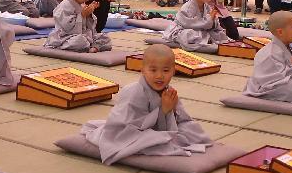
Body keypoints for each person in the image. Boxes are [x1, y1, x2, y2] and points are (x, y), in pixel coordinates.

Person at [80, 43, 212, 165]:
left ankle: (163, 138)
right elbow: (128, 125)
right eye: (153, 70)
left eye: (166, 71)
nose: (159, 76)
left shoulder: (169, 91)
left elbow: (182, 120)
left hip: (156, 131)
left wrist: (169, 112)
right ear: (142, 70)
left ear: (174, 71)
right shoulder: (134, 92)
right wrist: (163, 112)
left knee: (192, 131)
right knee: (155, 140)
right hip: (127, 133)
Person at [160, 0, 231, 52]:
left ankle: (205, 38)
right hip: (182, 29)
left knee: (219, 33)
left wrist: (213, 20)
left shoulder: (207, 7)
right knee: (189, 34)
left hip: (201, 30)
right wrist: (209, 19)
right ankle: (205, 40)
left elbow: (213, 25)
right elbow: (189, 24)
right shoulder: (188, 7)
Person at [45, 0, 112, 52]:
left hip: (85, 36)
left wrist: (89, 14)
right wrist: (82, 15)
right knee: (80, 41)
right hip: (66, 38)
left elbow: (91, 28)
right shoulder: (64, 6)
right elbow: (67, 28)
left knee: (105, 37)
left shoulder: (81, 5)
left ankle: (94, 47)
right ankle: (60, 47)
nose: (88, 0)